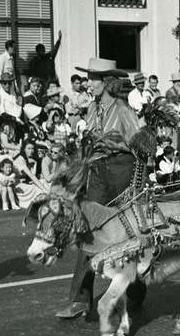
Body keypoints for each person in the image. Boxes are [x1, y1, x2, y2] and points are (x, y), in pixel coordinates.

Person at [55, 58, 143, 319]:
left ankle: (136, 291)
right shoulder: (92, 109)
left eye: (94, 79)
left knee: (127, 231)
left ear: (107, 83)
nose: (88, 83)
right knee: (86, 228)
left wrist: (138, 180)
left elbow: (139, 146)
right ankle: (81, 299)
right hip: (98, 170)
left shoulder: (124, 110)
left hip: (121, 168)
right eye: (89, 78)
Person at [13, 139, 49, 208]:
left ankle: (51, 196)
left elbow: (34, 174)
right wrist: (44, 189)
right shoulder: (20, 160)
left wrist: (34, 164)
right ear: (24, 149)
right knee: (37, 187)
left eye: (32, 149)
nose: (31, 151)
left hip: (26, 182)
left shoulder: (31, 159)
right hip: (18, 185)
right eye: (28, 148)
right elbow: (31, 176)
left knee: (43, 181)